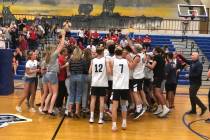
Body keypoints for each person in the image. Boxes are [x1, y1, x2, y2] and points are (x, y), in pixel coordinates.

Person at [39, 30, 66, 116]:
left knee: (50, 93)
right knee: (55, 93)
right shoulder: (53, 55)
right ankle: (50, 109)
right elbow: (61, 46)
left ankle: (45, 108)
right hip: (52, 74)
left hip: (47, 75)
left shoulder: (47, 56)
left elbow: (59, 46)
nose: (56, 48)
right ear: (52, 50)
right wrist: (63, 35)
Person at [110, 47, 131, 131]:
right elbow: (132, 67)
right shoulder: (126, 61)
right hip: (124, 86)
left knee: (114, 107)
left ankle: (114, 125)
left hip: (116, 86)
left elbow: (111, 72)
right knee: (123, 105)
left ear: (115, 53)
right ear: (122, 53)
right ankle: (124, 123)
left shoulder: (112, 61)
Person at [146, 47, 170, 118]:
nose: (152, 51)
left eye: (153, 50)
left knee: (157, 92)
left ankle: (165, 108)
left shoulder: (157, 56)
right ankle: (160, 108)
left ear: (155, 51)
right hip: (159, 76)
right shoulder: (161, 57)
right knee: (154, 92)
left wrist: (145, 64)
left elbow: (152, 67)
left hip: (158, 76)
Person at [89, 47, 110, 124]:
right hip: (103, 83)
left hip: (94, 82)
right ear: (102, 52)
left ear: (97, 52)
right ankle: (100, 119)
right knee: (101, 100)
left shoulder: (93, 60)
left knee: (93, 100)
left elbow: (89, 71)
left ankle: (91, 118)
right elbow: (108, 71)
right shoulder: (105, 60)